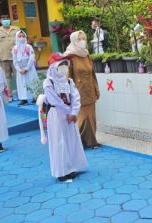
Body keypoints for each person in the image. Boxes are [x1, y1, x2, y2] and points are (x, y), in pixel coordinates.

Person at [42, 53, 87, 182]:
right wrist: (68, 112)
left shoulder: (69, 80)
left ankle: (72, 167)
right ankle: (62, 171)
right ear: (53, 67)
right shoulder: (48, 82)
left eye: (64, 65)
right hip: (57, 115)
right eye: (60, 65)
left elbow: (75, 96)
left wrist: (74, 112)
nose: (63, 68)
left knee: (71, 140)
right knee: (59, 142)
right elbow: (54, 100)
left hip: (70, 116)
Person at [64, 30, 100, 149]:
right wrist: (68, 94)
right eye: (79, 39)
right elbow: (67, 77)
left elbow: (92, 74)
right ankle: (77, 142)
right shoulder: (69, 56)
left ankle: (91, 141)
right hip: (77, 91)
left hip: (90, 90)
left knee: (91, 117)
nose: (82, 41)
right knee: (82, 117)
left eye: (83, 38)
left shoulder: (86, 54)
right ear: (73, 41)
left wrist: (96, 89)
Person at [0, 15, 20, 100]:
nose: (5, 20)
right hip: (3, 57)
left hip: (16, 57)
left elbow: (21, 40)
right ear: (0, 21)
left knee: (18, 76)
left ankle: (21, 95)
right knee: (6, 77)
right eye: (3, 19)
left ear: (10, 20)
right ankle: (9, 96)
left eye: (7, 19)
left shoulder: (16, 29)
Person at [12, 30, 38, 105]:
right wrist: (19, 69)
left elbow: (31, 58)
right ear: (16, 38)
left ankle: (34, 97)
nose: (21, 38)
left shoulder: (29, 47)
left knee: (32, 82)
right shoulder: (15, 48)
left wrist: (26, 68)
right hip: (20, 70)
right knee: (21, 84)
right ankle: (23, 99)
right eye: (19, 36)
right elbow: (15, 60)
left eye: (23, 36)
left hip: (29, 68)